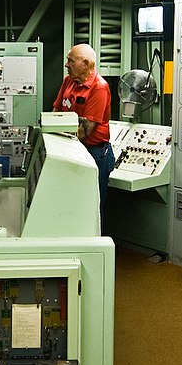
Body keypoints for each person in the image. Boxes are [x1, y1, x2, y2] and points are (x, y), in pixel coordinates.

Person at [52, 43, 115, 230]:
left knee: (91, 205)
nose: (66, 65)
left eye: (70, 61)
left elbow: (84, 131)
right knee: (71, 202)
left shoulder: (99, 88)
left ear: (85, 63)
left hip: (93, 154)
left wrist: (55, 139)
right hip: (69, 149)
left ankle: (94, 247)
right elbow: (55, 113)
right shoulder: (68, 82)